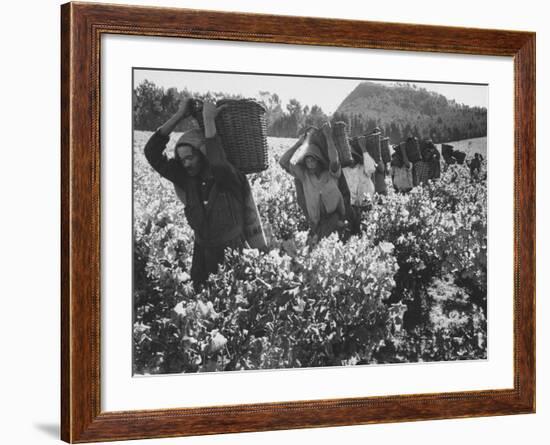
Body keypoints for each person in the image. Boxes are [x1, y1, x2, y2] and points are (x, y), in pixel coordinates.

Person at [144, 98, 262, 289]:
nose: (186, 164)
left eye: (190, 157)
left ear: (203, 154)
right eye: (182, 160)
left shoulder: (229, 178)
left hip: (232, 256)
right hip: (201, 257)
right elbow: (152, 152)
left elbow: (217, 163)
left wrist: (209, 122)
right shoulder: (187, 179)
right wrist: (179, 116)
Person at [279, 123, 346, 244]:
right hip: (317, 225)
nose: (309, 163)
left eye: (312, 160)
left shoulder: (331, 174)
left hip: (335, 221)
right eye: (307, 161)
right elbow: (283, 162)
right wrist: (299, 143)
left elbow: (334, 160)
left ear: (319, 160)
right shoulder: (304, 176)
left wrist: (328, 137)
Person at [342, 142, 376, 234]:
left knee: (366, 229)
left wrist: (363, 148)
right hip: (351, 206)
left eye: (353, 156)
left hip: (365, 204)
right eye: (350, 156)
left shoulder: (363, 167)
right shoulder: (344, 170)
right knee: (352, 231)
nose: (351, 159)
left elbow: (372, 168)